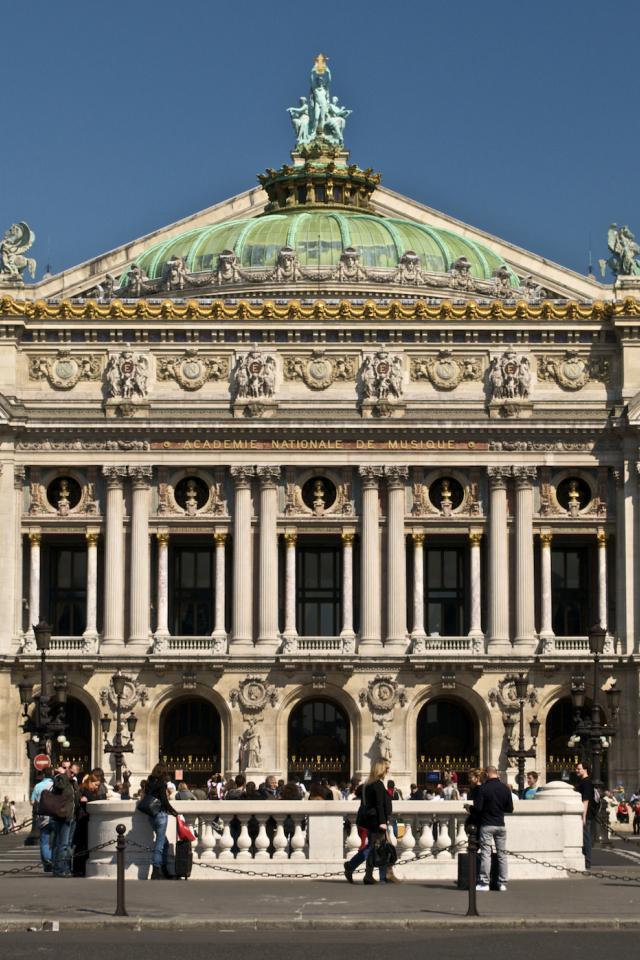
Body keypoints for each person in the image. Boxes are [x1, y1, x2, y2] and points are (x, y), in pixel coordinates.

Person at [344, 759, 395, 885]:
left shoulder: (367, 784)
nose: (387, 771)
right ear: (381, 770)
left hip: (370, 820)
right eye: (386, 769)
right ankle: (354, 866)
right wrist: (382, 822)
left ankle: (369, 875)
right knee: (377, 848)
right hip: (377, 821)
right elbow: (379, 805)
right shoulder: (378, 785)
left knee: (373, 847)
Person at [473, 765, 513, 892]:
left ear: (487, 774)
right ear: (496, 773)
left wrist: (470, 808)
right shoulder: (505, 788)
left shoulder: (483, 788)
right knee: (502, 855)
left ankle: (485, 883)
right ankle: (502, 883)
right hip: (500, 824)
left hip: (487, 824)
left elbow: (478, 808)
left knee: (486, 854)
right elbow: (510, 808)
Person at [144, 762, 178, 879]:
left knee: (165, 843)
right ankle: (156, 869)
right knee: (160, 843)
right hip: (161, 814)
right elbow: (164, 800)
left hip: (151, 815)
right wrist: (173, 811)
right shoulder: (161, 783)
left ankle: (164, 869)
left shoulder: (148, 783)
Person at [49, 761, 77, 878]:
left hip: (71, 817)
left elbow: (76, 797)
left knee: (68, 845)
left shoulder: (72, 782)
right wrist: (63, 775)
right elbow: (59, 787)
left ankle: (65, 868)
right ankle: (59, 869)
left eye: (75, 773)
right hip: (63, 816)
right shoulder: (60, 779)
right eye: (70, 771)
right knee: (63, 844)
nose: (72, 774)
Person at [72, 773, 101, 876]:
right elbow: (90, 801)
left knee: (83, 845)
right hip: (82, 821)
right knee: (82, 845)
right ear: (90, 782)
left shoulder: (87, 791)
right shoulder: (85, 791)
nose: (96, 787)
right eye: (95, 784)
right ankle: (79, 869)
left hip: (83, 821)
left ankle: (79, 869)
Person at [31, 767, 54, 872]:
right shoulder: (55, 785)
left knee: (44, 840)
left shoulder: (38, 786)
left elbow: (32, 802)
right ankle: (52, 861)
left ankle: (47, 863)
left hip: (42, 815)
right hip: (55, 815)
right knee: (54, 841)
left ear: (43, 775)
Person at [575, 761, 596, 869]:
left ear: (585, 770)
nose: (576, 770)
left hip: (585, 814)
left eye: (579, 769)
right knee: (583, 838)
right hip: (584, 813)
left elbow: (586, 800)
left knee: (585, 838)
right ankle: (585, 860)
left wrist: (583, 816)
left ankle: (587, 862)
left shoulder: (586, 782)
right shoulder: (582, 781)